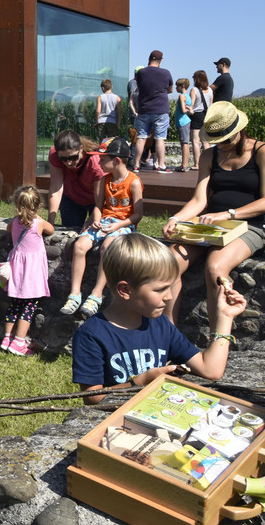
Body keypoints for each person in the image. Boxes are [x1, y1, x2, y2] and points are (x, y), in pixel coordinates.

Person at [72, 234, 246, 405]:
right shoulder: (91, 335)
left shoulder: (160, 325)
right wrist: (140, 382)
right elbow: (92, 398)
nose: (169, 297)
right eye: (160, 290)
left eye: (170, 288)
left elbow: (211, 370)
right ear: (125, 290)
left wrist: (225, 317)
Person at [163, 101, 265, 325]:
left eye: (226, 140)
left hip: (250, 225)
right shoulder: (209, 155)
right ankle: (169, 333)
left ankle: (217, 336)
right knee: (169, 263)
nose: (222, 146)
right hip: (212, 224)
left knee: (215, 268)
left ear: (239, 130)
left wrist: (229, 214)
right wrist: (176, 219)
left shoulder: (260, 152)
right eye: (217, 141)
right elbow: (199, 200)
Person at [62, 137, 144, 318]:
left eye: (103, 159)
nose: (98, 162)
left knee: (107, 247)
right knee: (79, 245)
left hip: (123, 225)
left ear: (116, 161)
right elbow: (98, 206)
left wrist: (118, 225)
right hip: (105, 221)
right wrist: (97, 220)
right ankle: (74, 294)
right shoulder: (103, 180)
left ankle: (96, 294)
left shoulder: (134, 182)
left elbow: (138, 214)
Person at [1, 185, 54, 356]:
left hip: (17, 271)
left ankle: (7, 338)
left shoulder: (14, 222)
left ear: (17, 204)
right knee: (29, 307)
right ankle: (19, 342)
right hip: (31, 273)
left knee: (14, 305)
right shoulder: (40, 223)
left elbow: (8, 229)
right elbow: (51, 230)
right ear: (39, 206)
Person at [46, 130, 106, 228]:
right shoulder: (54, 154)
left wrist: (89, 223)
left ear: (81, 148)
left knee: (92, 231)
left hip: (96, 200)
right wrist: (50, 222)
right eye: (63, 159)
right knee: (70, 230)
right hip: (72, 198)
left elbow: (100, 202)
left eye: (73, 157)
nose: (68, 163)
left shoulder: (96, 162)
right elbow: (56, 188)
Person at [132, 50, 174, 174]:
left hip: (144, 109)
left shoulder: (141, 73)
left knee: (141, 137)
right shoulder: (166, 73)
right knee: (160, 138)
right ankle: (161, 165)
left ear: (149, 58)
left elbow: (139, 86)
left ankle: (136, 165)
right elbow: (170, 90)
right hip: (161, 109)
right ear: (160, 60)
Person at [191, 69, 212, 168]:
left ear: (197, 79)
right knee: (205, 140)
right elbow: (210, 104)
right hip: (207, 115)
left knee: (196, 141)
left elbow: (192, 104)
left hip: (197, 115)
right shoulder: (210, 90)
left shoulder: (194, 90)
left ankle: (197, 164)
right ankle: (208, 163)